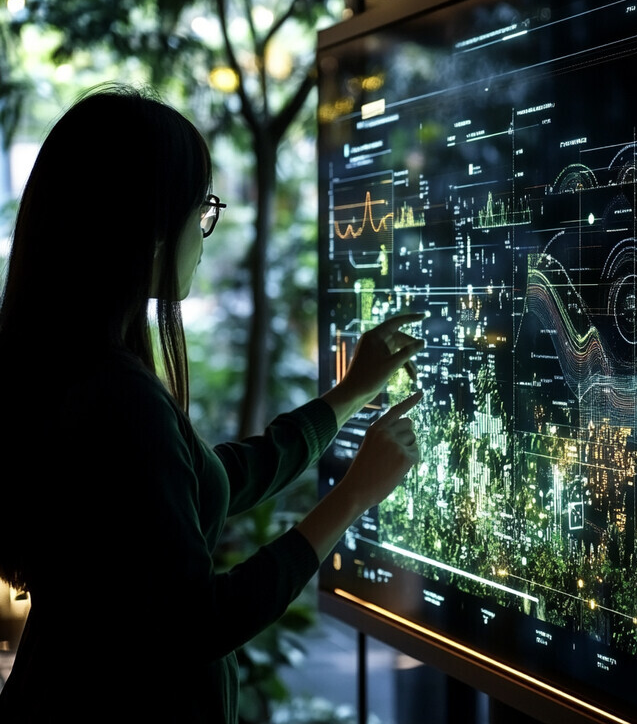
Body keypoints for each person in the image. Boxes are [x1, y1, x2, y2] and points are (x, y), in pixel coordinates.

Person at [0, 84, 425, 723]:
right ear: (146, 228)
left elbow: (205, 480)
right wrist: (352, 497)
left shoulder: (70, 367)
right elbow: (198, 623)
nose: (205, 231)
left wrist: (347, 397)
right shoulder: (119, 397)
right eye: (202, 209)